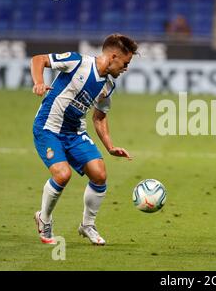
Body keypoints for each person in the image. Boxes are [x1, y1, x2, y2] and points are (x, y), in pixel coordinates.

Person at [31, 33, 137, 245]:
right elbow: (38, 59)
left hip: (75, 133)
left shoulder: (108, 86)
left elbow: (99, 117)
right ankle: (44, 218)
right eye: (125, 63)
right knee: (62, 175)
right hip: (48, 128)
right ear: (114, 56)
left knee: (99, 174)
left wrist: (110, 146)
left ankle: (87, 225)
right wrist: (39, 82)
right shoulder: (77, 61)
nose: (125, 68)